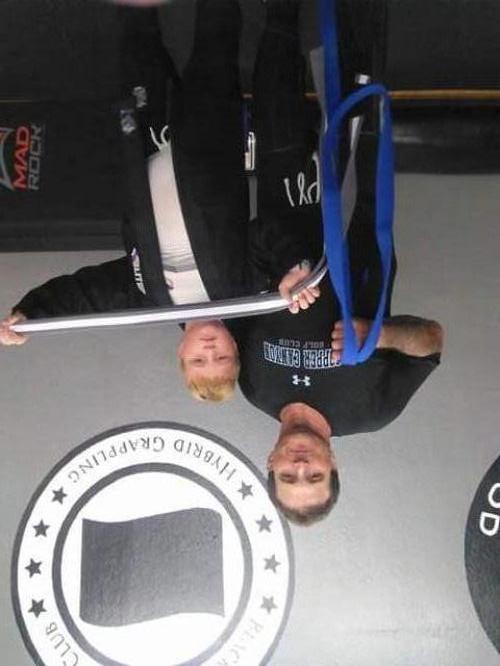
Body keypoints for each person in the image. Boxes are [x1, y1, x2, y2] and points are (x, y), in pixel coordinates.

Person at [0, 0, 318, 402]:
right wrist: (294, 266)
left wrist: (29, 314)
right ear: (234, 347)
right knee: (217, 31)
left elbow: (84, 293)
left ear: (181, 354)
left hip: (147, 136)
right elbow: (270, 234)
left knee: (138, 38)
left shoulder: (148, 298)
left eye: (199, 360)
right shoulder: (244, 287)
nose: (208, 350)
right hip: (209, 132)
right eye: (220, 357)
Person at [230, 1, 444, 525]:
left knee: (276, 64)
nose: (301, 467)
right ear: (334, 466)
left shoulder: (253, 389)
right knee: (359, 56)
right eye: (315, 477)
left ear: (271, 463)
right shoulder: (372, 411)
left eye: (289, 477)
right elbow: (431, 341)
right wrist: (377, 334)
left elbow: (235, 295)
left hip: (284, 199)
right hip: (353, 200)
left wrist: (279, 271)